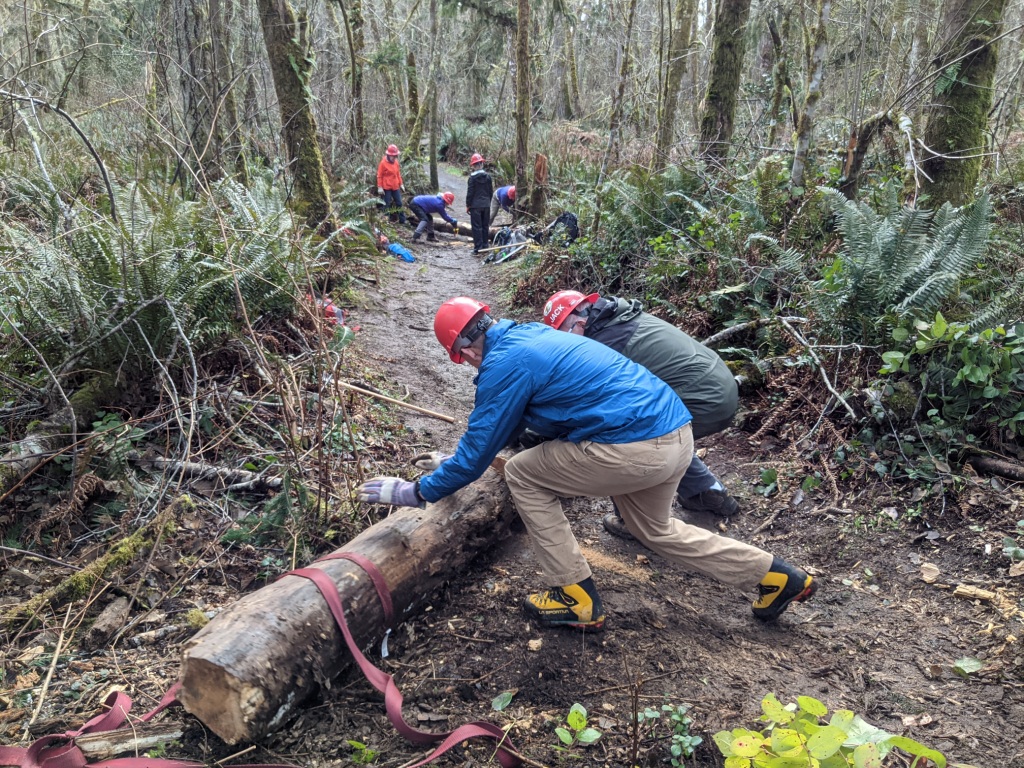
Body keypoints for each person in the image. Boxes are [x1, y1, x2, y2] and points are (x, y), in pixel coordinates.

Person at [356, 297, 817, 631]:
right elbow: (513, 430)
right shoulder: (533, 335)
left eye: (464, 360)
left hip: (637, 447)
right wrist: (456, 463)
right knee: (655, 529)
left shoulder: (504, 364)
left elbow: (479, 453)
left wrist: (416, 491)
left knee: (523, 473)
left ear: (465, 352)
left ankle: (573, 595)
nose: (469, 365)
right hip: (677, 434)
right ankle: (778, 576)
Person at [542, 290, 740, 538]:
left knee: (625, 440)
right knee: (666, 432)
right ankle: (707, 491)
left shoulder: (606, 343)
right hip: (722, 388)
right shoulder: (621, 317)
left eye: (563, 334)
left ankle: (632, 521)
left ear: (580, 322)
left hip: (702, 399)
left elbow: (588, 405)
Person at [465, 153, 493, 255]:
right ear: (482, 164)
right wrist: (488, 202)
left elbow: (470, 193)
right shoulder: (488, 177)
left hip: (475, 206)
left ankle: (478, 248)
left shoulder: (472, 178)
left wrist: (468, 205)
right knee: (485, 226)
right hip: (486, 205)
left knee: (477, 227)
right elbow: (490, 191)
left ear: (473, 165)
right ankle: (485, 246)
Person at [376, 144, 406, 224]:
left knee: (399, 203)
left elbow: (398, 174)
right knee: (386, 204)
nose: (394, 157)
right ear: (388, 155)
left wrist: (401, 184)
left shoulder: (396, 162)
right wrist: (380, 187)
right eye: (393, 156)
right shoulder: (383, 163)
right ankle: (386, 221)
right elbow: (379, 175)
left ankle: (402, 221)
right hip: (386, 187)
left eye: (395, 156)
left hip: (395, 186)